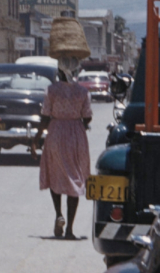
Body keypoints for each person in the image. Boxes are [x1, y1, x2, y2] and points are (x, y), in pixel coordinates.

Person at [34, 61, 92, 238]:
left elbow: (45, 116)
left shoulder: (51, 90)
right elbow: (87, 117)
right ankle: (70, 230)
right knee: (74, 177)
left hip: (56, 133)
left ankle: (59, 213)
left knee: (55, 174)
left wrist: (36, 140)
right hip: (76, 135)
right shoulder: (82, 92)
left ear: (59, 73)